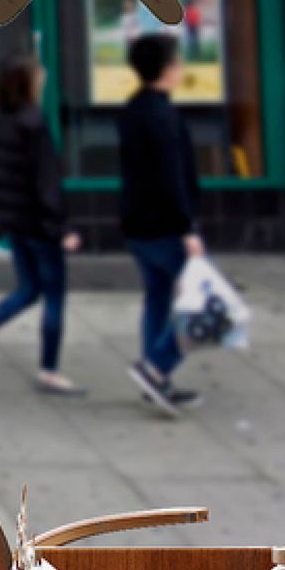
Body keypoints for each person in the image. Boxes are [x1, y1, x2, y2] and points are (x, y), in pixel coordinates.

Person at [0, 54, 81, 395]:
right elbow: (47, 182)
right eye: (38, 75)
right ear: (27, 83)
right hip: (41, 225)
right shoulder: (34, 123)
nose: (43, 78)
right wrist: (64, 228)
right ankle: (49, 370)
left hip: (15, 222)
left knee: (29, 289)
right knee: (53, 295)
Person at [118, 27, 206, 415]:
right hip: (166, 225)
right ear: (167, 69)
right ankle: (155, 368)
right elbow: (172, 177)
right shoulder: (163, 115)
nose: (180, 67)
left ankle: (155, 379)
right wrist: (188, 228)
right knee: (203, 305)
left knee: (157, 296)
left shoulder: (134, 109)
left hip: (137, 222)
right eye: (177, 61)